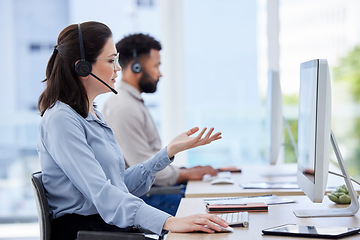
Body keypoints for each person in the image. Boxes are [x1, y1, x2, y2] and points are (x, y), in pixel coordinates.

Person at [37, 21, 228, 240]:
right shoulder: (61, 120)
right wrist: (169, 222)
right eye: (111, 60)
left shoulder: (92, 116)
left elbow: (119, 185)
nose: (118, 68)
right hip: (85, 232)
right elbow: (103, 194)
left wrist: (167, 153)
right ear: (83, 67)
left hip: (105, 227)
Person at [101, 34, 218, 214]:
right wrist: (186, 174)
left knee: (214, 201)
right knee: (210, 207)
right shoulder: (124, 108)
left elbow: (151, 163)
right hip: (146, 197)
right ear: (136, 67)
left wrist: (190, 170)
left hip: (153, 192)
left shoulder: (131, 103)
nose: (160, 73)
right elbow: (143, 169)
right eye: (156, 66)